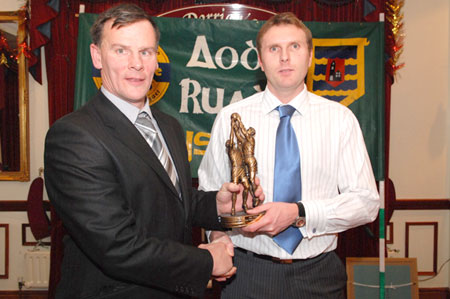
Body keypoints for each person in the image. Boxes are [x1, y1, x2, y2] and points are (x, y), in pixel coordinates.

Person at [44, 4, 263, 299]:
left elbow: (166, 200)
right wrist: (208, 261)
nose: (136, 64)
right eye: (121, 50)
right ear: (97, 56)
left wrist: (219, 207)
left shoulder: (168, 125)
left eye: (146, 52)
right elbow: (117, 247)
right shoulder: (73, 136)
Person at [198, 12, 380, 298]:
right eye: (274, 49)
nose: (284, 57)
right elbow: (208, 195)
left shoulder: (340, 120)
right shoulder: (230, 118)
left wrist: (299, 212)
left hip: (319, 274)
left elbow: (366, 203)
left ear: (309, 57)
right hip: (246, 273)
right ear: (260, 60)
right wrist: (219, 237)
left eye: (294, 47)